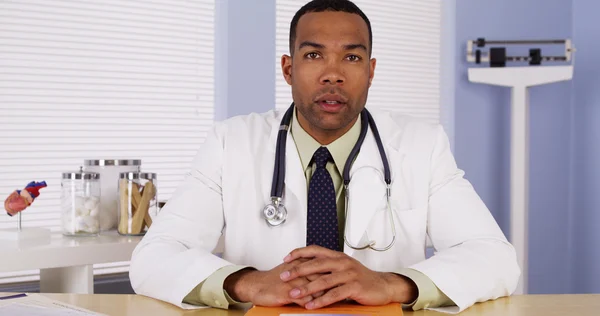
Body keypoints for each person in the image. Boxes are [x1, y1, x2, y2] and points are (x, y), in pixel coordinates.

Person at [129, 0, 520, 313]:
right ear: (288, 67)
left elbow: (495, 259)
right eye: (314, 55)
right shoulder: (232, 141)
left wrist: (390, 284)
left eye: (351, 58)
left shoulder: (422, 144)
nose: (332, 74)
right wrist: (247, 283)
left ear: (370, 71)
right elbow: (153, 258)